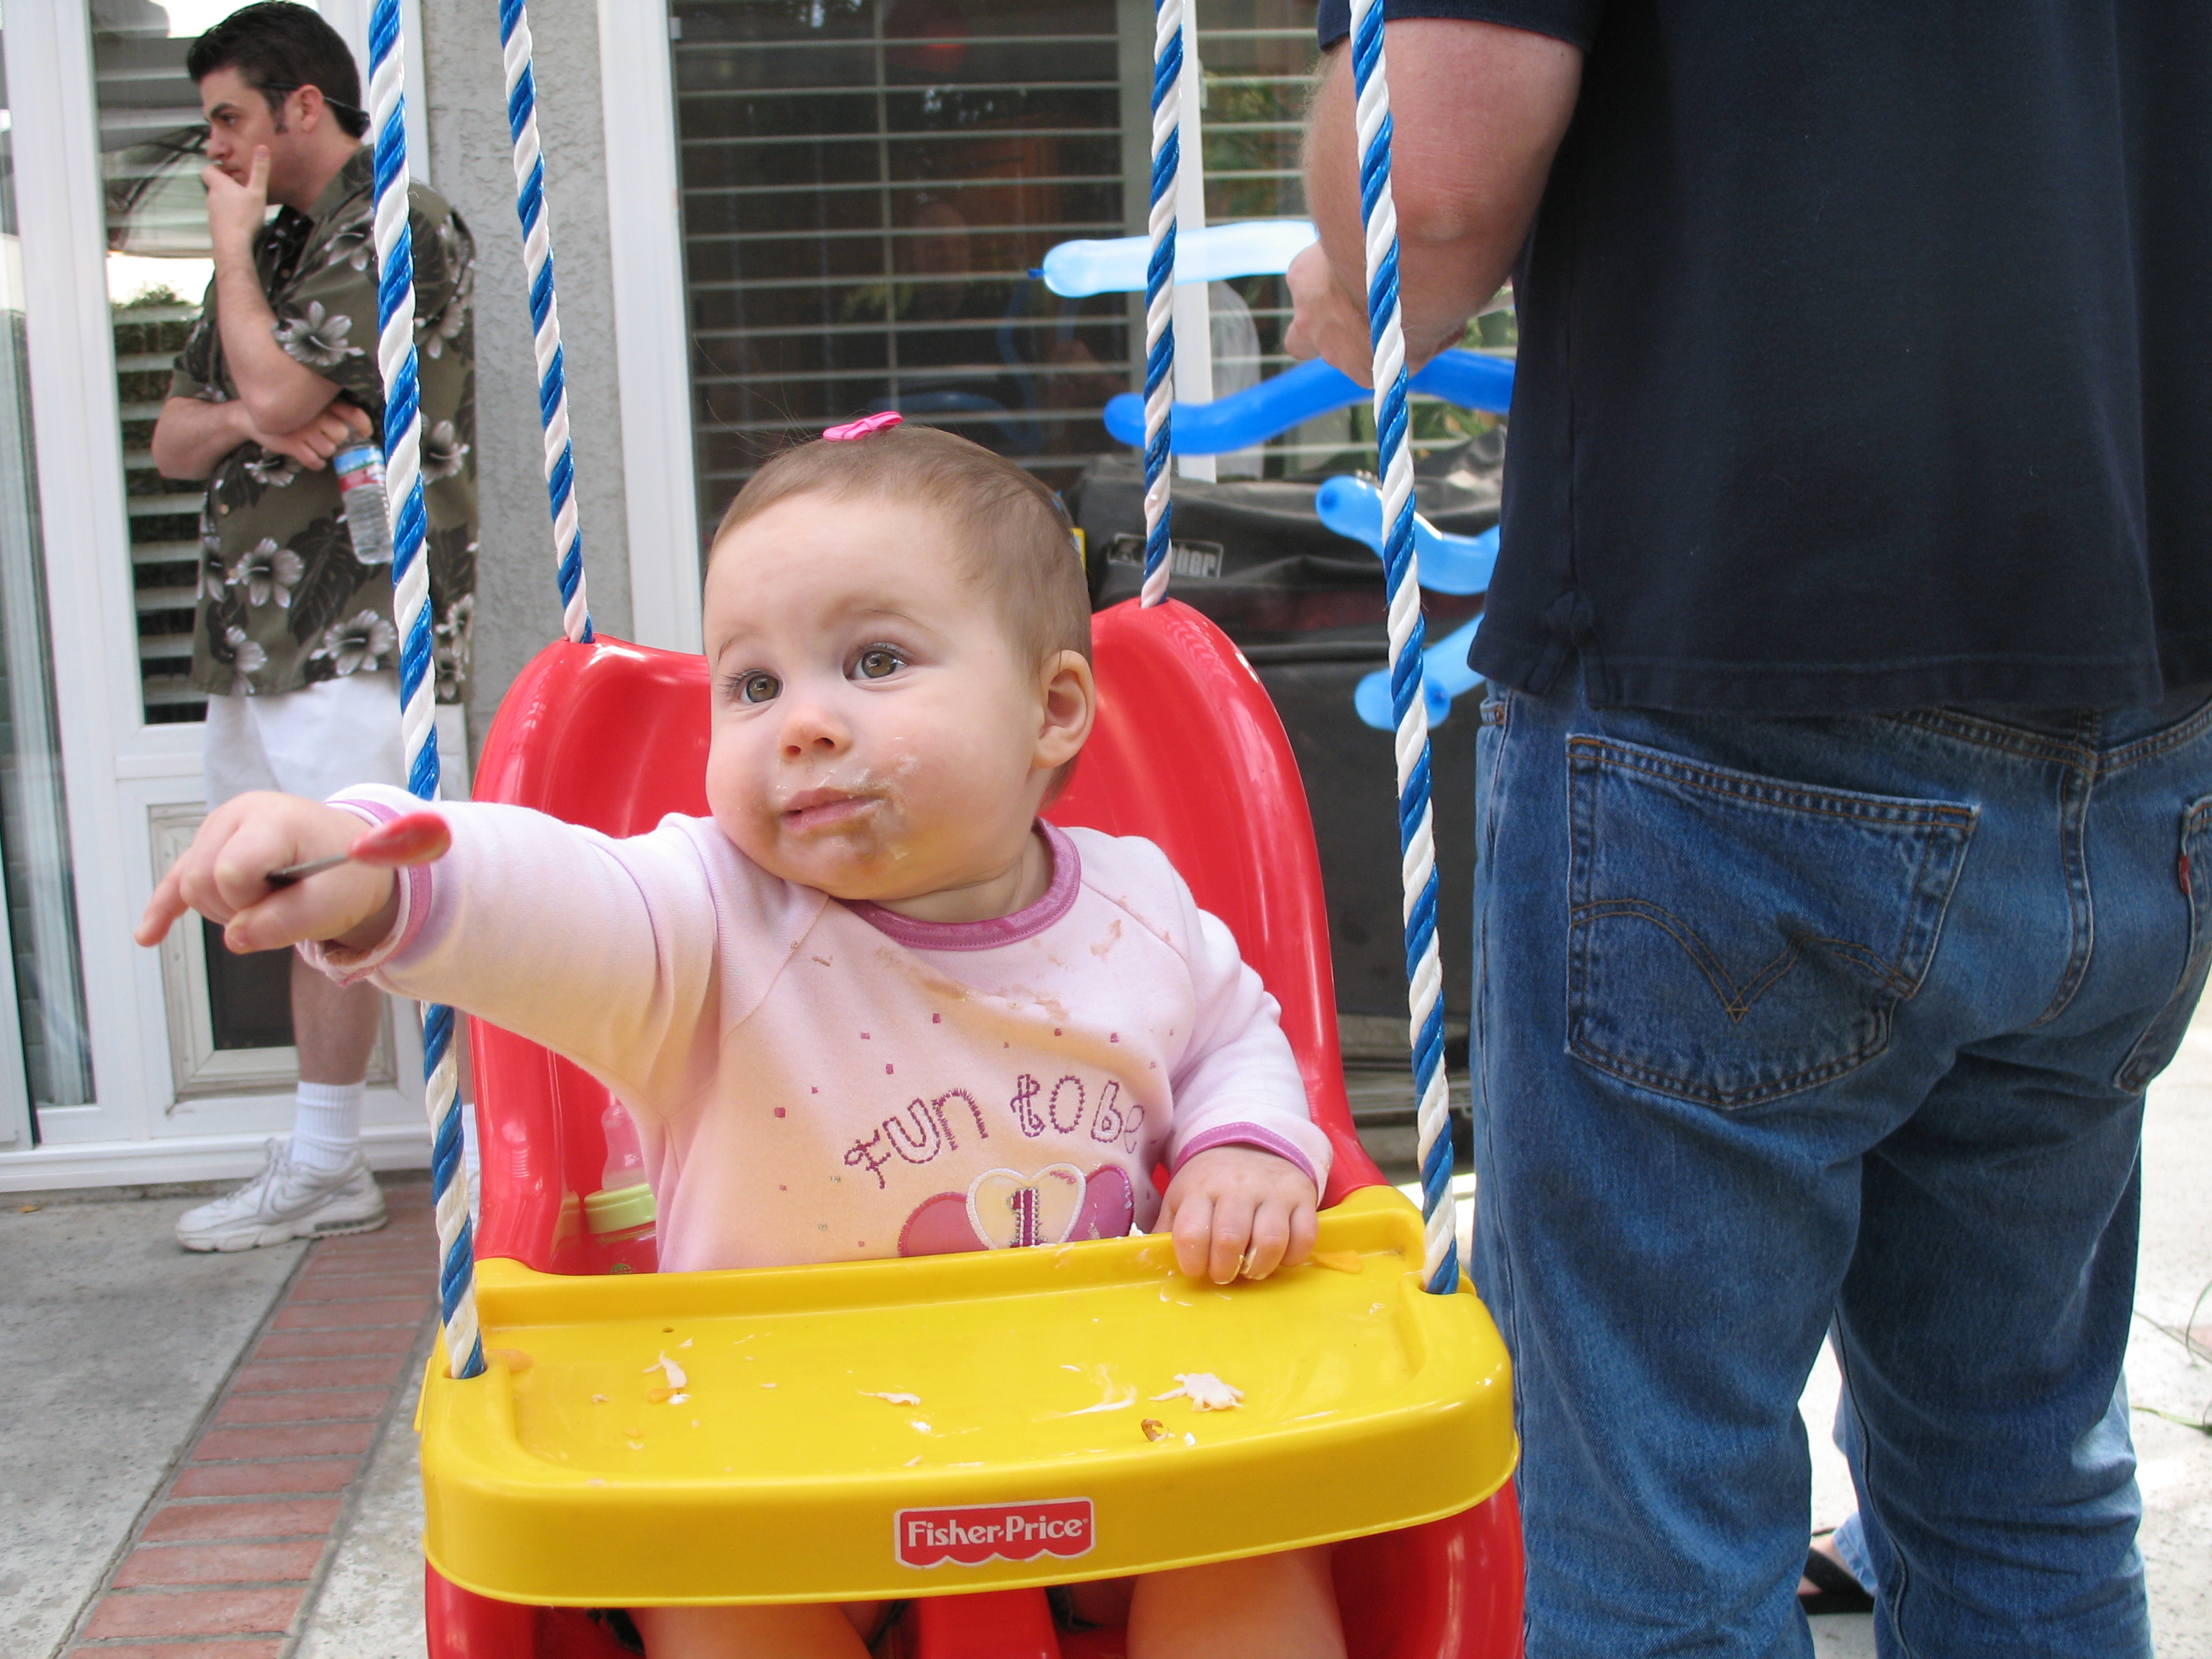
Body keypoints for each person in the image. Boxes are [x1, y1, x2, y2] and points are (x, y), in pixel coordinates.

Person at [1288, 4, 2208, 1655]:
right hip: (2144, 700)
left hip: (1735, 701)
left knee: (1654, 1526)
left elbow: (1423, 192)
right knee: (2020, 1468)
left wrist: (1346, 288)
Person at [134, 418, 1348, 1659]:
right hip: (771, 1469)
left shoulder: (1140, 907)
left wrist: (1243, 1148)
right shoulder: (705, 923)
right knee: (701, 1581)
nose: (803, 722)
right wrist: (369, 867)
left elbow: (1235, 1036)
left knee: (1258, 1541)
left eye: (876, 660)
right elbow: (546, 897)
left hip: (1103, 1437)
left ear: (1053, 708)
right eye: (754, 686)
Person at [150, 2, 477, 1251]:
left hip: (355, 625)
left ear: (302, 104)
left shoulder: (396, 222)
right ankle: (328, 1159)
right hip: (256, 631)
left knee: (369, 883)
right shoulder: (278, 241)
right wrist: (253, 419)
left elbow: (283, 382)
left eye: (229, 118)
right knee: (286, 885)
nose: (216, 150)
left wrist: (235, 275)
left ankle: (418, 1156)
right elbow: (177, 438)